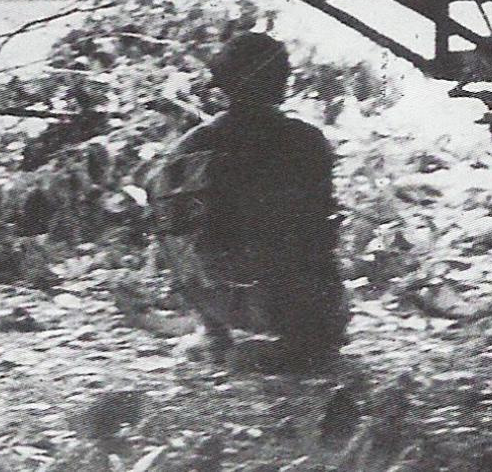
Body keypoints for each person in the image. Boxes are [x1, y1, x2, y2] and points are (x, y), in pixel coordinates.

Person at [147, 32, 348, 372]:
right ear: (279, 81)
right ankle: (286, 345)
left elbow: (170, 229)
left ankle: (215, 334)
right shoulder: (306, 141)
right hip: (295, 300)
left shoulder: (193, 144)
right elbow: (321, 230)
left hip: (215, 295)